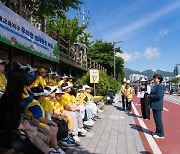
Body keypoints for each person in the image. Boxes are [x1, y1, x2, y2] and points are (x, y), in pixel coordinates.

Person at [0, 70, 42, 154]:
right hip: (5, 133)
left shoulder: (12, 96)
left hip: (10, 130)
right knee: (36, 148)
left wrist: (24, 121)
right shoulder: (11, 98)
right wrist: (27, 127)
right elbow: (10, 121)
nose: (26, 87)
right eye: (24, 84)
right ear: (18, 84)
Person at [148, 74, 164, 139]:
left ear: (159, 79)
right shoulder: (156, 86)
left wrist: (150, 96)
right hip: (155, 105)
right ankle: (157, 132)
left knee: (158, 119)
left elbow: (158, 96)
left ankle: (161, 134)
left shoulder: (160, 87)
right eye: (154, 78)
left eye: (155, 78)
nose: (154, 79)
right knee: (156, 119)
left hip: (157, 105)